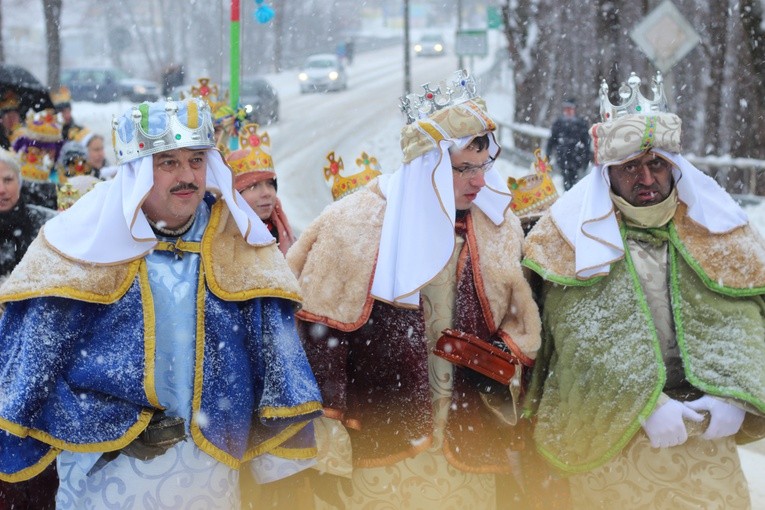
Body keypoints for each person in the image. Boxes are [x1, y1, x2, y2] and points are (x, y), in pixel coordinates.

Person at [0, 98, 323, 509]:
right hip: (103, 478)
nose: (187, 176)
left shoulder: (240, 243)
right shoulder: (79, 241)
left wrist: (283, 483)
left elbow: (280, 372)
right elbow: (27, 376)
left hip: (212, 477)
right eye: (167, 162)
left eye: (196, 160)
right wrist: (117, 425)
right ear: (135, 169)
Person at [287, 70, 541, 508]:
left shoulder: (498, 226)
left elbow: (524, 324)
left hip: (470, 442)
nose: (480, 182)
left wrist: (498, 363)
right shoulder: (353, 225)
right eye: (464, 169)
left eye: (484, 166)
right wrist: (326, 443)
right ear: (429, 163)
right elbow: (317, 343)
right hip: (382, 447)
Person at [523, 71, 765, 509]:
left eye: (657, 165)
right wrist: (642, 406)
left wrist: (735, 396)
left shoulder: (721, 232)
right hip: (615, 442)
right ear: (607, 173)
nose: (646, 178)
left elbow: (746, 325)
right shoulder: (570, 242)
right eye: (630, 167)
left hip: (706, 436)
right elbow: (577, 343)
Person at [0, 148, 58, 508]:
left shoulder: (46, 226)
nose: (2, 188)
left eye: (7, 179)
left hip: (31, 352)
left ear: (21, 180)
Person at [226, 122, 297, 256]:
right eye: (253, 186)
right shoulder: (223, 243)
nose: (267, 193)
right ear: (235, 195)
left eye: (270, 184)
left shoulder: (284, 235)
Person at [12, 109, 62, 210]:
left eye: (52, 149)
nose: (51, 153)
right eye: (46, 150)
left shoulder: (59, 173)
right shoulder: (18, 177)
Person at [545, 97, 591, 191]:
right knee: (566, 183)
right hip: (563, 159)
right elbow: (551, 141)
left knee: (577, 185)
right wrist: (547, 156)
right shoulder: (558, 123)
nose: (568, 111)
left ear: (574, 109)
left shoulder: (581, 123)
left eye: (570, 108)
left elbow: (586, 143)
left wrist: (586, 159)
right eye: (566, 108)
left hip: (577, 160)